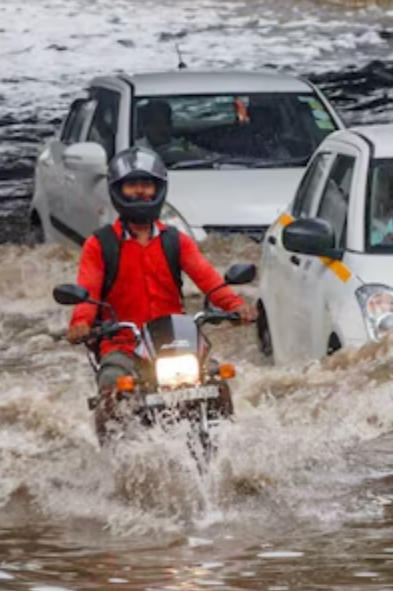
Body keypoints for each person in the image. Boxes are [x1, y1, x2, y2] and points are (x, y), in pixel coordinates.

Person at [65, 146, 257, 430]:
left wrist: (235, 306)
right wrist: (81, 322)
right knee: (111, 388)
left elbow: (209, 280)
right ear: (118, 190)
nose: (141, 192)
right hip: (124, 344)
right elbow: (88, 294)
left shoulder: (175, 240)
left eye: (147, 184)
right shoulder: (100, 244)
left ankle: (224, 447)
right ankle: (117, 457)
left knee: (218, 381)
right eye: (133, 185)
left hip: (176, 341)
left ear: (159, 189)